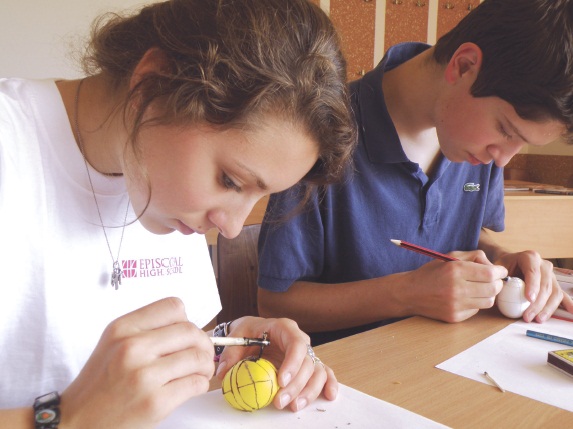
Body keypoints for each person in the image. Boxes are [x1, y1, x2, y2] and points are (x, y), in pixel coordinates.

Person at [0, 0, 357, 427]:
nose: (229, 227)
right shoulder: (13, 148)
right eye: (229, 180)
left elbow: (144, 364)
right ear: (153, 86)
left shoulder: (159, 184)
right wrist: (65, 418)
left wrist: (228, 343)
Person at [257, 0, 573, 345]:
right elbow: (274, 303)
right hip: (342, 380)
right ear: (464, 66)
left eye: (522, 143)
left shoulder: (476, 142)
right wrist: (406, 293)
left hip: (449, 362)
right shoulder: (319, 133)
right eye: (508, 130)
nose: (503, 161)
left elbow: (458, 239)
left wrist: (501, 261)